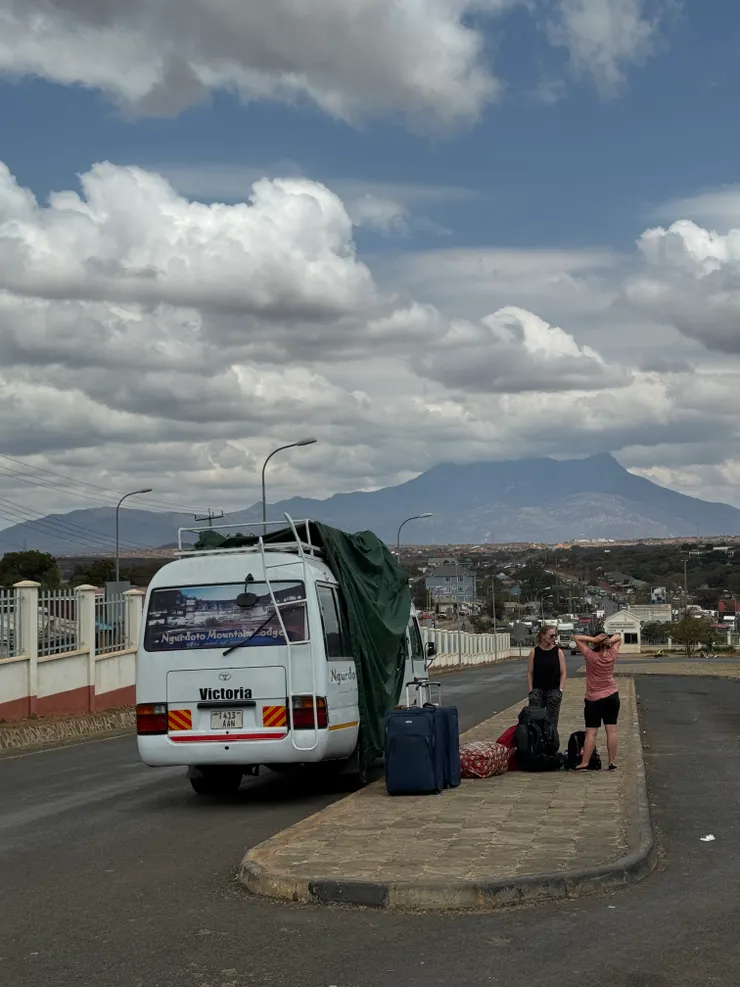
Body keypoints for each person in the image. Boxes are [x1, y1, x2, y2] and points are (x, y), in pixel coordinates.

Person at [573, 631, 622, 771]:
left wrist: (594, 639)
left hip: (593, 698)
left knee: (591, 732)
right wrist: (610, 641)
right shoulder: (612, 654)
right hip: (612, 695)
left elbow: (576, 638)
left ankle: (585, 762)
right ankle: (612, 762)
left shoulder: (591, 656)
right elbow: (619, 637)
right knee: (611, 730)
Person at [527, 625, 567, 730]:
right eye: (551, 635)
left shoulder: (558, 652)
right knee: (535, 722)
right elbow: (530, 672)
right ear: (543, 636)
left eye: (555, 635)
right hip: (537, 691)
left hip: (553, 690)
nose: (554, 638)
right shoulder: (534, 652)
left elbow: (563, 672)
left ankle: (551, 740)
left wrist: (560, 690)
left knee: (552, 723)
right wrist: (531, 691)